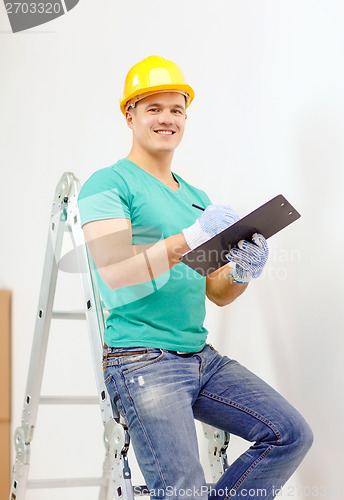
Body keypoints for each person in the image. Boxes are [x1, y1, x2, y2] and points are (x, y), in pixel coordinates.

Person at [77, 55, 313, 500]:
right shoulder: (109, 184)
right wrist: (188, 237)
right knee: (182, 492)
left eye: (176, 109)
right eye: (154, 108)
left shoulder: (197, 198)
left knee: (290, 435)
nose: (167, 118)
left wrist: (243, 270)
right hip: (142, 360)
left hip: (200, 357)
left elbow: (216, 292)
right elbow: (115, 274)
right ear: (129, 115)